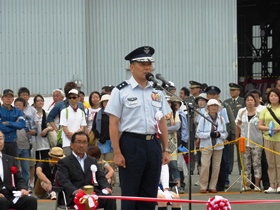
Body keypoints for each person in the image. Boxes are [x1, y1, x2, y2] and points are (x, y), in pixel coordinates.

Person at [105, 46, 171, 210]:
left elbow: (162, 121)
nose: (147, 67)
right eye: (142, 64)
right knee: (130, 194)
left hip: (153, 144)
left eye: (149, 63)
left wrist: (166, 148)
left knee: (149, 195)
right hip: (131, 143)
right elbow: (113, 124)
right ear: (132, 67)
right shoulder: (121, 91)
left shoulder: (157, 91)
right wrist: (117, 152)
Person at [57, 131, 116, 209]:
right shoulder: (64, 162)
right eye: (78, 142)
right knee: (85, 200)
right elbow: (64, 181)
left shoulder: (92, 161)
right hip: (75, 195)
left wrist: (106, 187)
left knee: (110, 199)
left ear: (87, 145)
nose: (81, 145)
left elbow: (100, 177)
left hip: (93, 193)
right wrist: (75, 191)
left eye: (84, 142)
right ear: (71, 145)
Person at [196, 99, 228, 193]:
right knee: (205, 166)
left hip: (218, 145)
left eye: (215, 106)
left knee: (216, 167)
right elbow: (199, 133)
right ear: (208, 107)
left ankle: (213, 186)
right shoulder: (203, 118)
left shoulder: (221, 119)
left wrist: (219, 135)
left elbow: (225, 133)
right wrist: (209, 134)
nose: (213, 107)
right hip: (206, 145)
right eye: (211, 106)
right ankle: (203, 186)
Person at [0, 131, 37, 210]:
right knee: (2, 202)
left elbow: (19, 178)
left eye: (1, 139)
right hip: (1, 198)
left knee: (31, 201)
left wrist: (23, 188)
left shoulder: (10, 159)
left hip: (11, 195)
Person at [235, 93, 263, 191]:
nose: (250, 102)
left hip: (256, 142)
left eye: (251, 100)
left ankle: (256, 185)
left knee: (256, 164)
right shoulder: (241, 112)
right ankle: (246, 184)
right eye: (248, 100)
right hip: (244, 142)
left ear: (255, 101)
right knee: (245, 164)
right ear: (245, 102)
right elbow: (238, 124)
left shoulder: (260, 113)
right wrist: (237, 138)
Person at [258, 88, 280, 193]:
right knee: (270, 163)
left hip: (279, 139)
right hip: (268, 138)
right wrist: (270, 129)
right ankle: (272, 184)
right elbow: (260, 126)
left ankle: (279, 184)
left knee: (279, 163)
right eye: (271, 96)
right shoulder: (265, 110)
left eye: (275, 95)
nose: (273, 97)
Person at [17, 87, 38, 190]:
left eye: (26, 94)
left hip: (29, 143)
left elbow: (36, 126)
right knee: (16, 167)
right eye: (22, 94)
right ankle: (18, 185)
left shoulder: (31, 112)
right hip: (16, 143)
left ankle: (28, 184)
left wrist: (33, 131)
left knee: (29, 165)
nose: (24, 96)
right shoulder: (13, 113)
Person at [223, 83, 245, 177]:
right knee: (229, 152)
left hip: (240, 129)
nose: (232, 92)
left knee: (241, 150)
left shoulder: (243, 101)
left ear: (238, 91)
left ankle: (241, 169)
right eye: (231, 90)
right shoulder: (226, 102)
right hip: (230, 129)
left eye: (234, 90)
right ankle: (229, 169)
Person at [14, 98, 36, 185]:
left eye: (20, 105)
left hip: (26, 146)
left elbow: (35, 130)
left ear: (24, 106)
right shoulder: (10, 118)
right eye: (16, 105)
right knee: (15, 169)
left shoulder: (28, 117)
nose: (18, 107)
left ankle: (25, 186)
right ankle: (15, 187)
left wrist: (32, 132)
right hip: (14, 146)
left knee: (26, 169)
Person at [59, 89, 87, 156]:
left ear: (78, 98)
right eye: (70, 97)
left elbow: (83, 127)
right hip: (67, 143)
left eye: (74, 97)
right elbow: (64, 127)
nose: (72, 99)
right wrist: (71, 135)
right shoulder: (64, 111)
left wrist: (75, 135)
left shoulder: (81, 112)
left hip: (79, 143)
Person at [165, 96, 183, 194]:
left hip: (172, 143)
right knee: (163, 166)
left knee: (174, 165)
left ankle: (178, 185)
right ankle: (165, 185)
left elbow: (176, 127)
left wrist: (164, 129)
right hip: (161, 142)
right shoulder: (159, 113)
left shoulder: (175, 113)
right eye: (166, 102)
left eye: (169, 102)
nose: (168, 104)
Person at [0, 89, 26, 157]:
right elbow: (1, 127)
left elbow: (22, 124)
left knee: (13, 165)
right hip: (1, 142)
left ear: (13, 99)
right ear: (2, 98)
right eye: (6, 97)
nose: (8, 99)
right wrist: (14, 126)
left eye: (10, 97)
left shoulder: (18, 111)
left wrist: (8, 123)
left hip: (13, 142)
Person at [92, 94, 113, 164]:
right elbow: (94, 127)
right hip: (100, 141)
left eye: (107, 101)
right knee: (100, 163)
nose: (106, 103)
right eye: (104, 101)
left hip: (111, 141)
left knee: (109, 163)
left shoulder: (114, 114)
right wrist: (99, 137)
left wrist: (106, 137)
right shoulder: (98, 114)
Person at [33, 95, 52, 160]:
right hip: (35, 143)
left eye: (41, 100)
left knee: (46, 163)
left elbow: (54, 126)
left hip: (46, 143)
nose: (40, 102)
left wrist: (47, 129)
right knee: (36, 163)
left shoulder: (47, 114)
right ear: (35, 103)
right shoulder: (32, 115)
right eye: (38, 101)